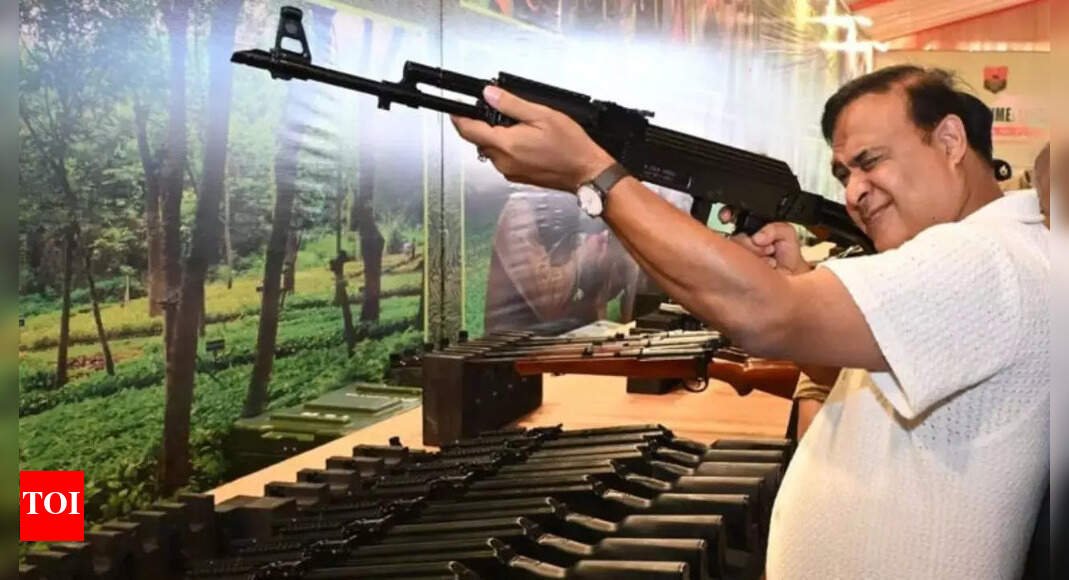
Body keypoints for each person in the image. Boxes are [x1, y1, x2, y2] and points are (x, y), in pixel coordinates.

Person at [452, 65, 1050, 578]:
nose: (854, 192)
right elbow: (848, 376)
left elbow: (766, 317)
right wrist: (794, 283)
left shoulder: (985, 258)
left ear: (949, 141)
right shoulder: (977, 255)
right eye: (844, 174)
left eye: (870, 162)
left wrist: (594, 175)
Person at [484, 184, 639, 333]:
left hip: (572, 337)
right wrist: (584, 257)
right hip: (517, 342)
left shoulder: (579, 200)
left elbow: (601, 290)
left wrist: (617, 261)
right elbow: (548, 301)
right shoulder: (519, 211)